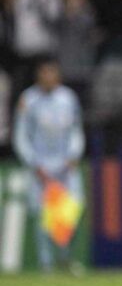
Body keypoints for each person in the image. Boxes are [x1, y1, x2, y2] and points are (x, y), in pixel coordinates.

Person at [12, 57, 85, 273]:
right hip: (40, 165)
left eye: (52, 73)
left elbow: (76, 130)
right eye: (44, 73)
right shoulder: (28, 99)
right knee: (43, 215)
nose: (48, 77)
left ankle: (66, 258)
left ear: (58, 75)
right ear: (38, 75)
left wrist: (73, 155)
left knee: (72, 211)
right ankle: (46, 264)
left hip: (65, 164)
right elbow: (21, 135)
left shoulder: (68, 98)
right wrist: (33, 163)